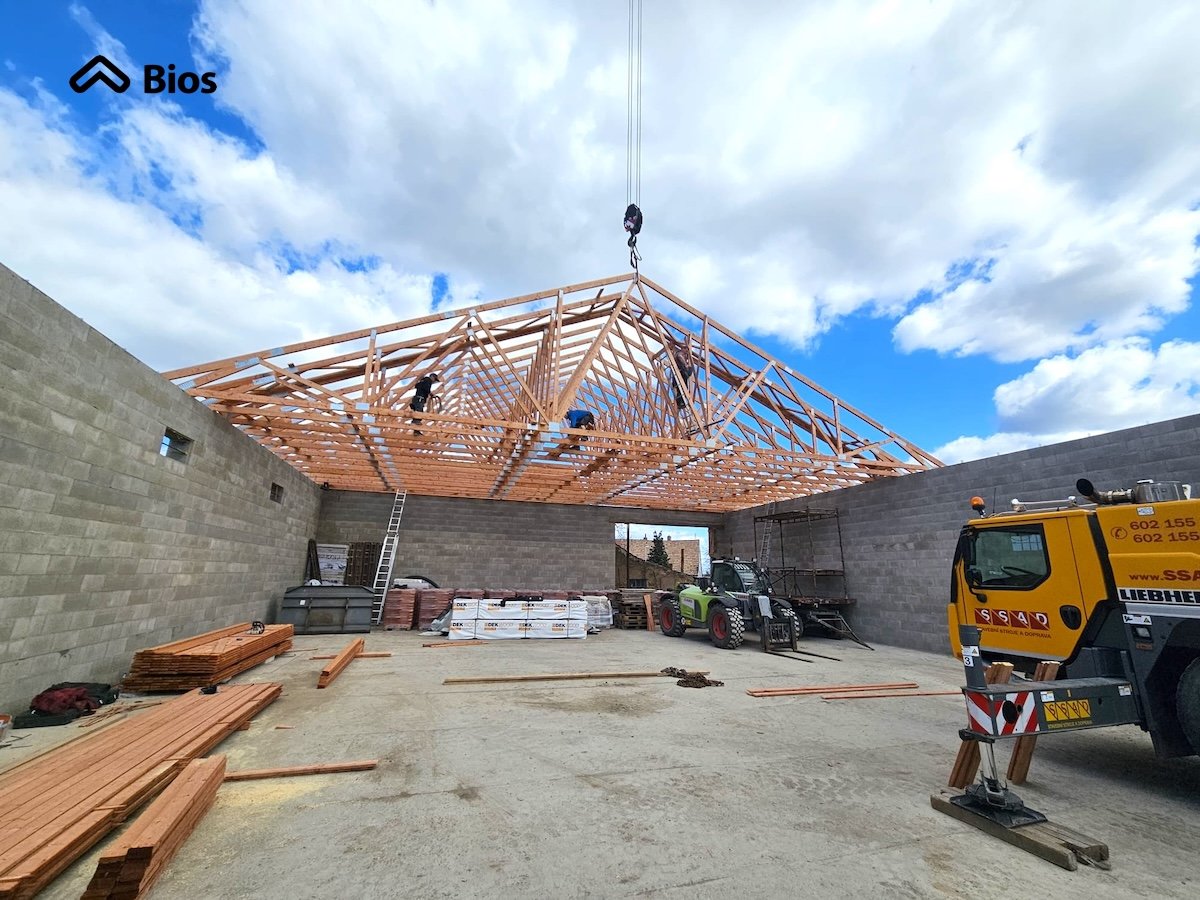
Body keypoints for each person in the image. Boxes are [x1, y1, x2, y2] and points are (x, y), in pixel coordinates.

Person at [671, 345, 694, 410]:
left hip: (680, 374)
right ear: (683, 349)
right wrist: (686, 364)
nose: (686, 351)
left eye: (687, 350)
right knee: (681, 388)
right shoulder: (679, 353)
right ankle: (680, 403)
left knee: (682, 389)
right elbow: (679, 357)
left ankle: (682, 403)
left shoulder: (683, 355)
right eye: (686, 349)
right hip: (680, 372)